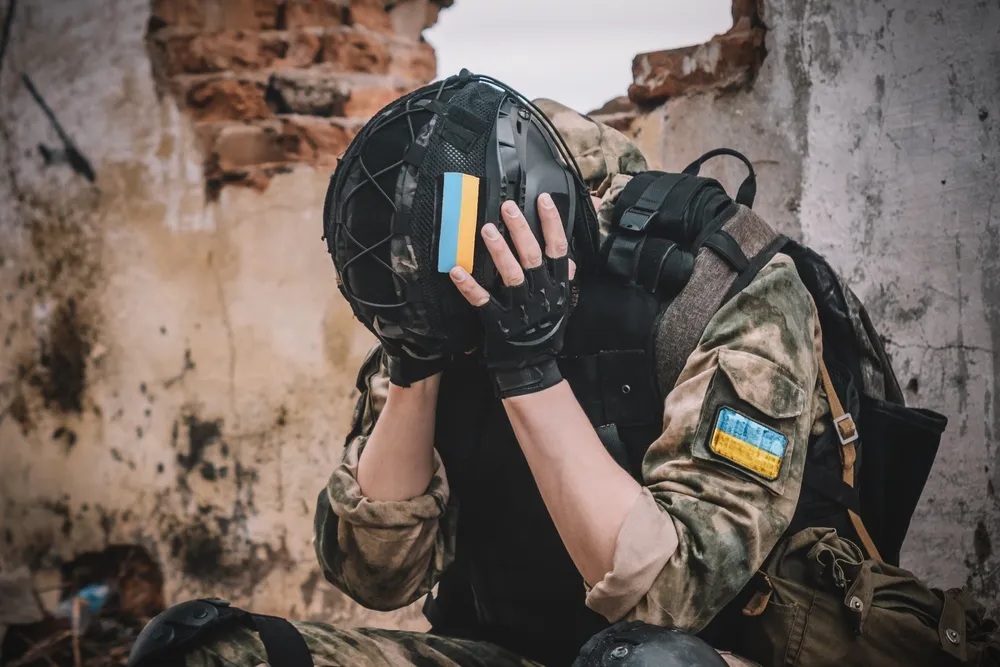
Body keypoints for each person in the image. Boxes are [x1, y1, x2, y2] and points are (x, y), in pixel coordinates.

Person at [125, 72, 847, 667]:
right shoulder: (440, 290)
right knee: (201, 652)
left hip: (714, 648)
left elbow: (674, 600)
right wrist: (416, 362)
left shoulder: (718, 288)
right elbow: (376, 573)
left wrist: (528, 369)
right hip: (510, 647)